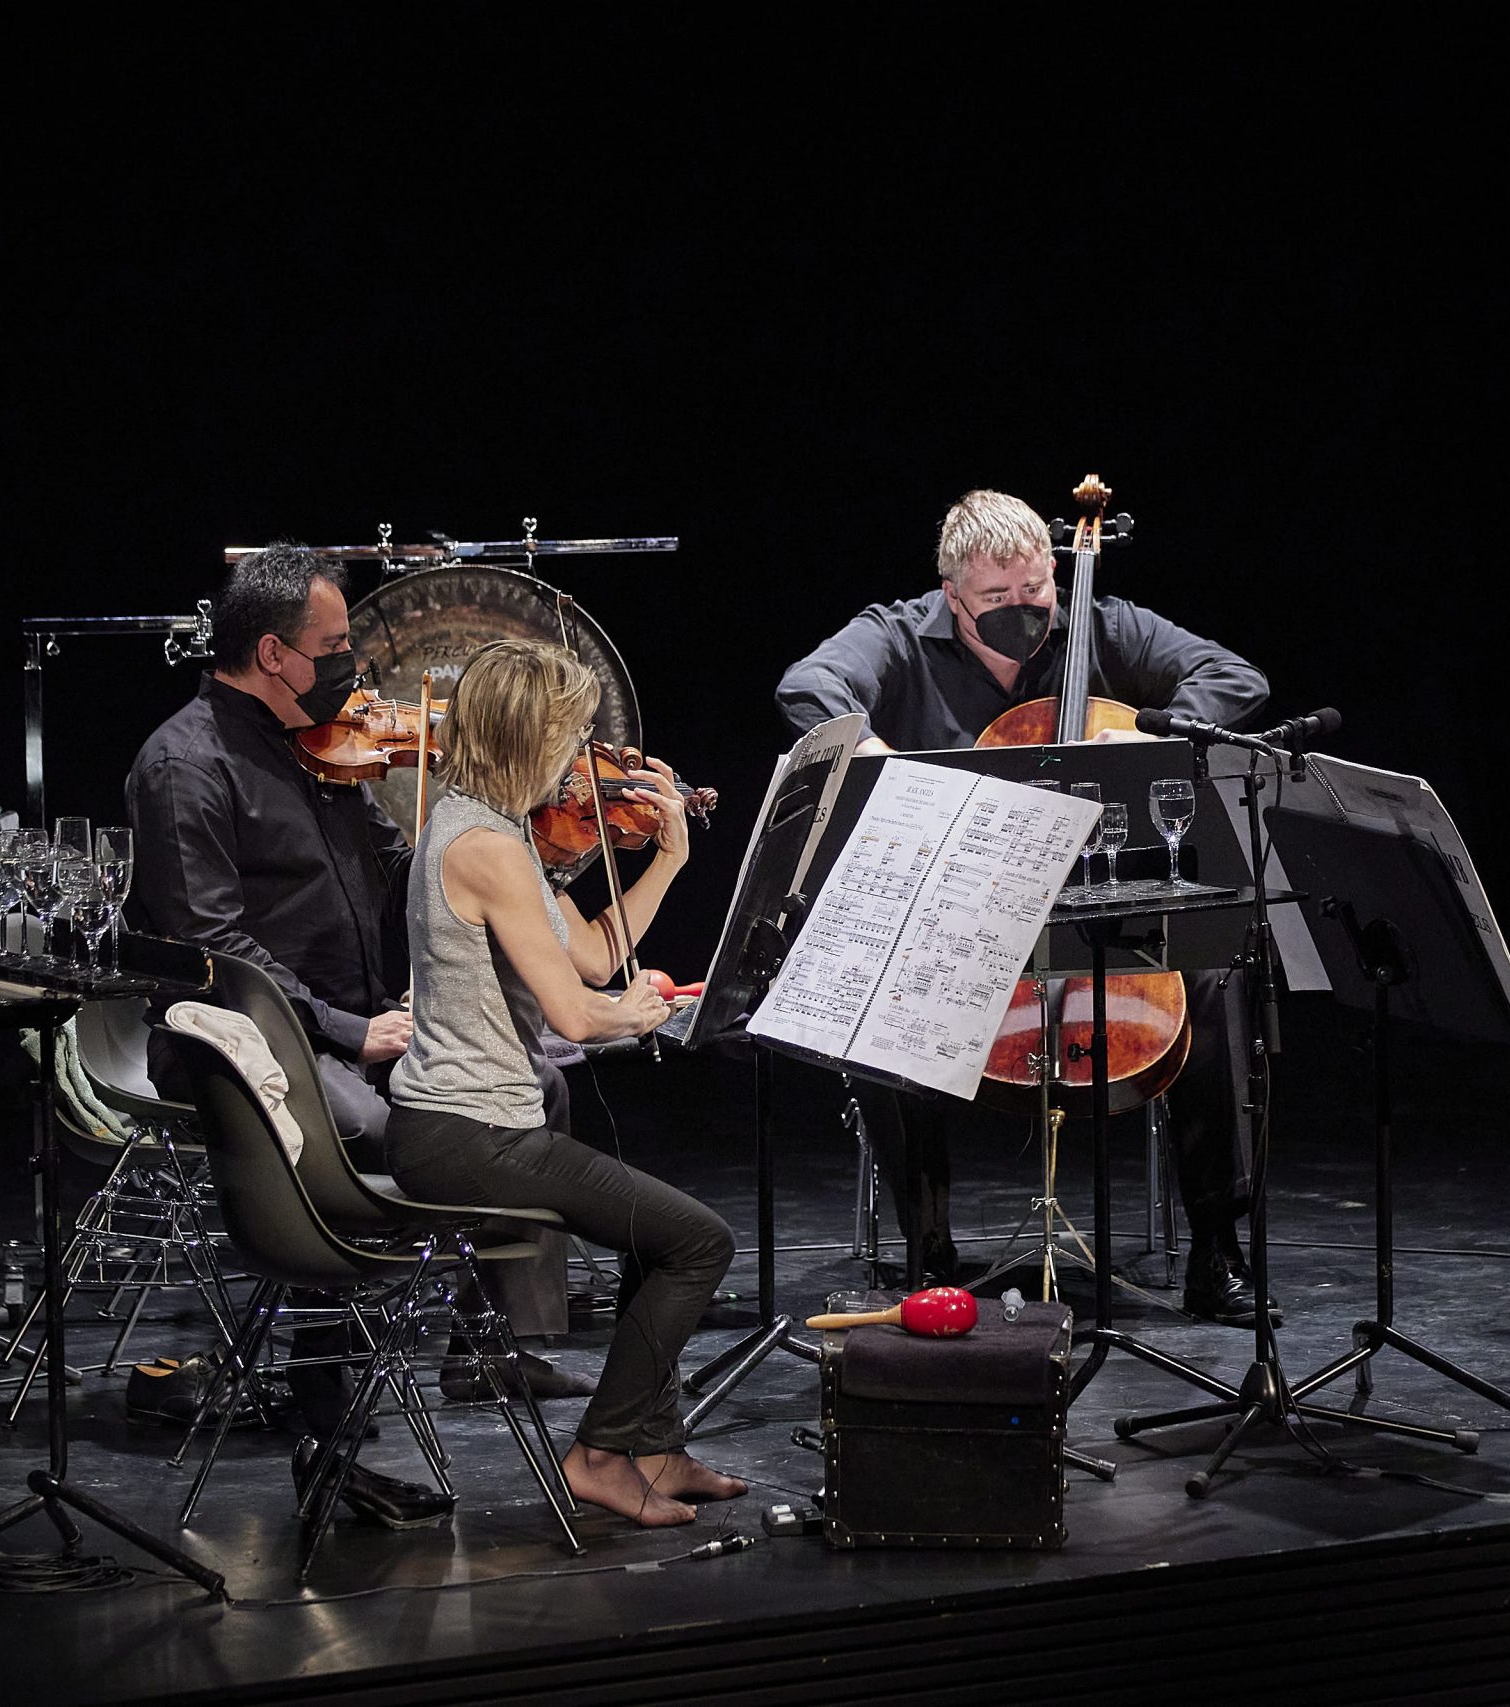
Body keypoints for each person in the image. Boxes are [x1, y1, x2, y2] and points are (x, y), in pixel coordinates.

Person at [775, 487, 1272, 1324]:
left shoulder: (1098, 619)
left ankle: (1217, 1253)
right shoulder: (898, 633)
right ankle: (928, 1251)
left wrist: (1157, 732)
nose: (1021, 611)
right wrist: (875, 754)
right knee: (885, 996)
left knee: (1218, 981)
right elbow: (807, 684)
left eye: (1034, 591)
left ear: (1055, 572)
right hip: (965, 913)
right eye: (996, 599)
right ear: (951, 593)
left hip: (1103, 898)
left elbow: (1235, 676)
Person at [127, 544, 588, 1425]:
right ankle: (322, 1373)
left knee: (537, 1088)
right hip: (237, 1045)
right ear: (273, 653)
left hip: (353, 1027)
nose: (354, 665)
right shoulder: (183, 766)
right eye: (334, 643)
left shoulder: (318, 750)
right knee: (376, 1125)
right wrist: (349, 1029)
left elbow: (402, 868)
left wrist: (523, 862)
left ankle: (487, 1348)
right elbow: (212, 951)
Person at [387, 638, 743, 1526]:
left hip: (469, 1125)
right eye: (571, 732)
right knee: (699, 1243)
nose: (582, 754)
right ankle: (600, 1451)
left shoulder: (492, 827)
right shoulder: (487, 846)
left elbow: (591, 953)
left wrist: (668, 861)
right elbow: (579, 1015)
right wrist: (652, 1012)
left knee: (662, 1238)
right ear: (526, 736)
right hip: (468, 1136)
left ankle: (652, 1447)